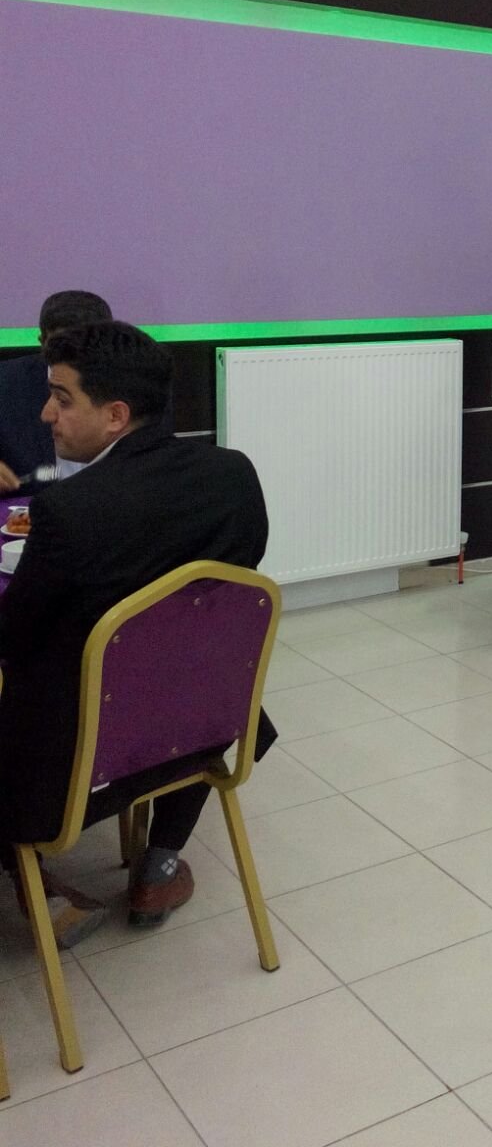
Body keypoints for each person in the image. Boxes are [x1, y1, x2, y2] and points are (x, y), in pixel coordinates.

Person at [0, 321, 270, 946]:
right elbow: (234, 583)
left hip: (82, 764)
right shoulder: (233, 474)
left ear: (116, 415)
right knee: (185, 664)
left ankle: (33, 882)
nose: (46, 415)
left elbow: (14, 640)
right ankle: (160, 864)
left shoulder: (69, 511)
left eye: (62, 399)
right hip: (204, 726)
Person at [0, 290, 113, 494]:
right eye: (61, 347)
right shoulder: (5, 384)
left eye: (85, 346)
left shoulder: (141, 386)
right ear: (42, 343)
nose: (74, 357)